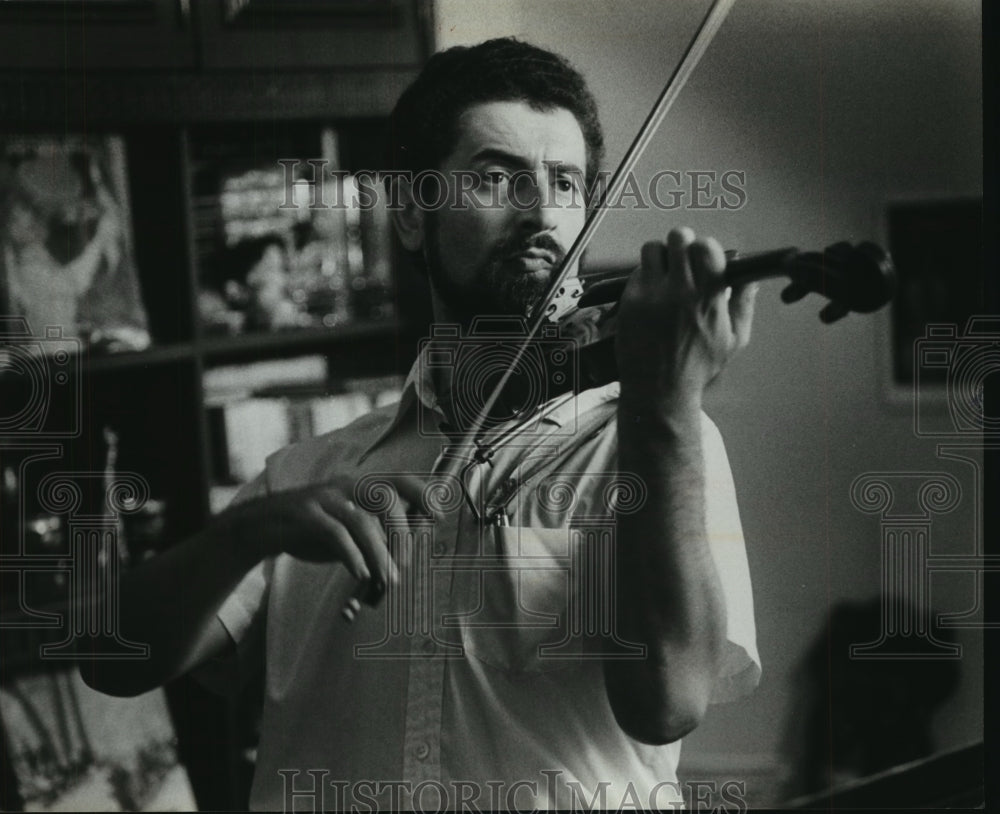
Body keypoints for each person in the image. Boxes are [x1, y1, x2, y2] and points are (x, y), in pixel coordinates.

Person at [79, 38, 761, 810]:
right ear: (410, 215)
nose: (541, 212)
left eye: (566, 183)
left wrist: (666, 401)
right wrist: (249, 530)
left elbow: (668, 700)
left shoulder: (651, 444)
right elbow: (111, 657)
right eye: (497, 178)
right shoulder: (311, 472)